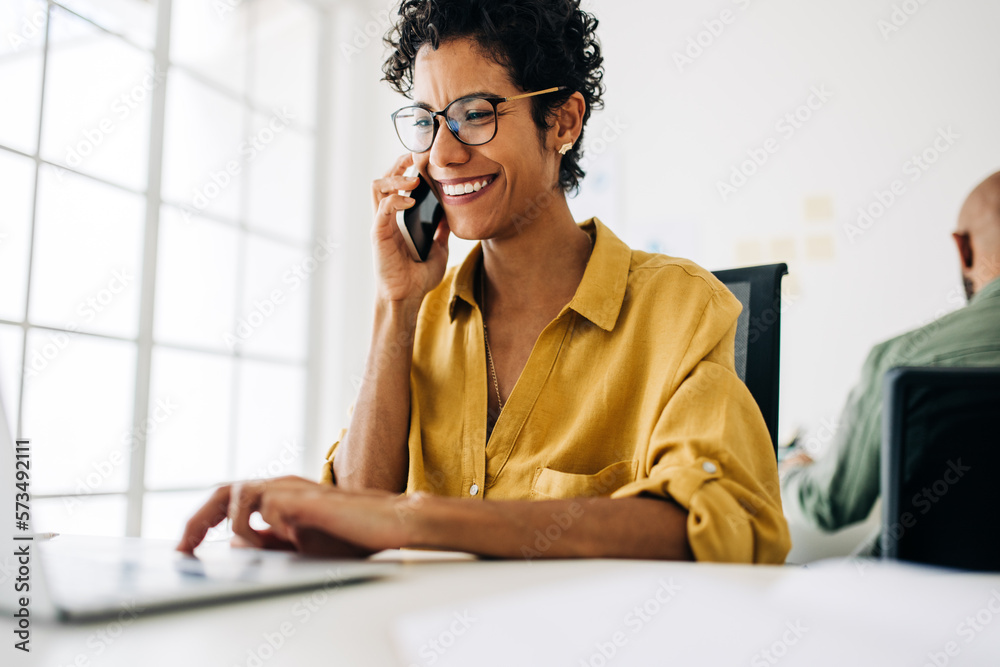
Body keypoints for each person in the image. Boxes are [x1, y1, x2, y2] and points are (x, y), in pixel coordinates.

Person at [178, 0, 790, 564]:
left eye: (475, 115)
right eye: (426, 121)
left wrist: (417, 520)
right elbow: (354, 517)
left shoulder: (678, 309)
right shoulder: (421, 316)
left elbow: (724, 526)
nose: (442, 155)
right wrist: (397, 305)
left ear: (564, 121)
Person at [781, 171, 1000, 533]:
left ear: (964, 248)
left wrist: (792, 472)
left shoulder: (901, 359)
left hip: (927, 585)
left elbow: (830, 506)